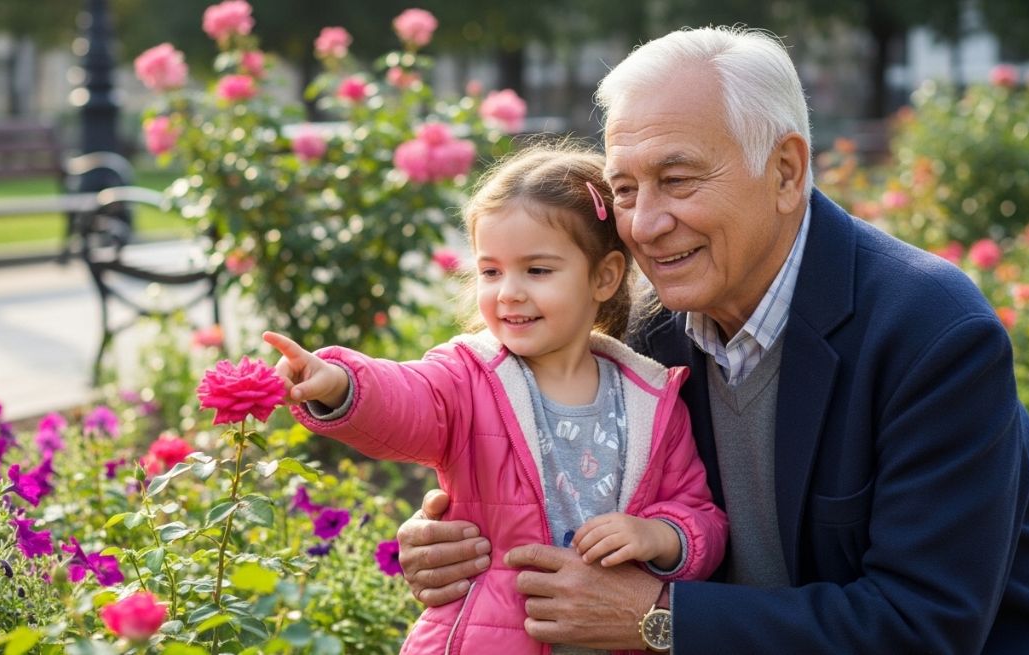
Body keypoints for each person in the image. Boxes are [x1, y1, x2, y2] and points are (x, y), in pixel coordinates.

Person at [394, 26, 1029, 654]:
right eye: (626, 189)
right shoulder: (642, 334)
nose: (645, 225)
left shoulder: (931, 333)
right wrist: (465, 540)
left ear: (785, 171)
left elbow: (922, 627)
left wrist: (658, 617)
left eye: (677, 180)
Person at [264, 145, 728, 654]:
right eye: (491, 271)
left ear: (604, 276)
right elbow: (405, 400)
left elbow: (700, 515)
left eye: (537, 270)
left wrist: (659, 536)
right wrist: (338, 383)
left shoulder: (651, 398)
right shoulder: (467, 377)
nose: (508, 292)